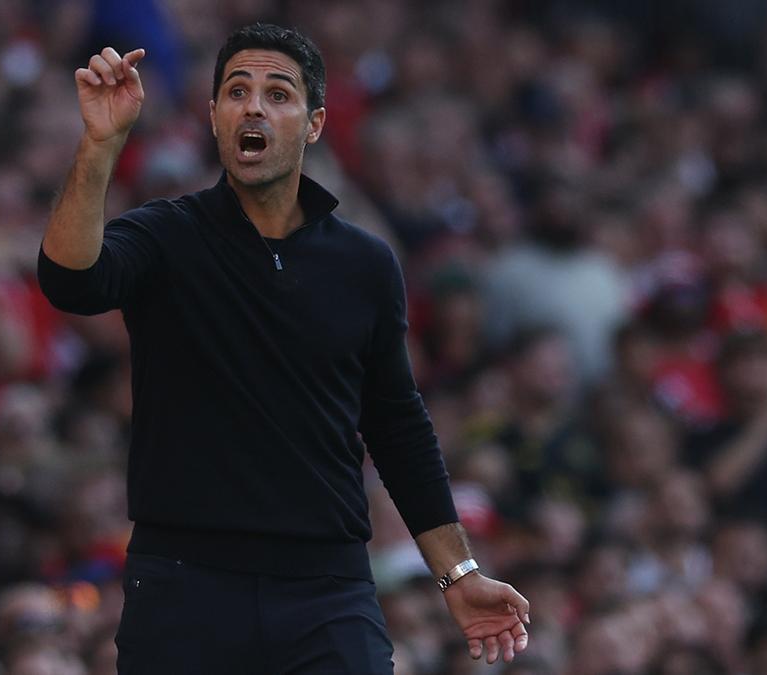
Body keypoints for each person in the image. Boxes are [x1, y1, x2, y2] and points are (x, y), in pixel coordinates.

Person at [37, 23, 530, 673]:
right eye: (236, 91)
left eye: (278, 93)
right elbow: (70, 281)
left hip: (328, 587)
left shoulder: (365, 263)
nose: (254, 106)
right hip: (185, 584)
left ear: (315, 122)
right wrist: (101, 145)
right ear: (214, 117)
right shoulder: (166, 236)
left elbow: (397, 425)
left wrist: (459, 573)